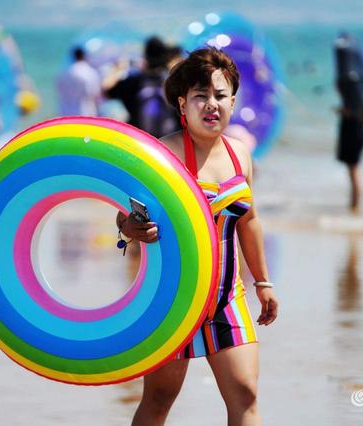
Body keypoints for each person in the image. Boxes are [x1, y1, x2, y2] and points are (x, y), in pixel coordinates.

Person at [116, 47, 278, 425]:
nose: (212, 104)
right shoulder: (162, 156)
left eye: (220, 95)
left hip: (226, 298)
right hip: (172, 302)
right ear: (182, 102)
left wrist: (264, 282)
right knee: (158, 401)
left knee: (246, 394)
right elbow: (125, 217)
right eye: (200, 96)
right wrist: (130, 229)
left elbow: (249, 220)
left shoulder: (240, 155)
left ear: (233, 102)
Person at [103, 36, 179, 138]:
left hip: (142, 143)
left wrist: (118, 69)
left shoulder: (134, 81)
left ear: (146, 57)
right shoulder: (175, 80)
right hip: (170, 142)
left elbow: (106, 90)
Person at [333, 32, 363, 211]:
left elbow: (353, 111)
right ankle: (353, 207)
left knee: (353, 170)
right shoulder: (360, 79)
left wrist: (343, 110)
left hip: (353, 130)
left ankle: (355, 207)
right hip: (358, 129)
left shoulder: (351, 80)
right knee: (353, 170)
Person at [56, 47, 101, 116]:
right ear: (84, 56)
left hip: (65, 110)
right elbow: (95, 93)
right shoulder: (90, 72)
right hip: (85, 110)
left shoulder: (65, 72)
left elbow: (59, 90)